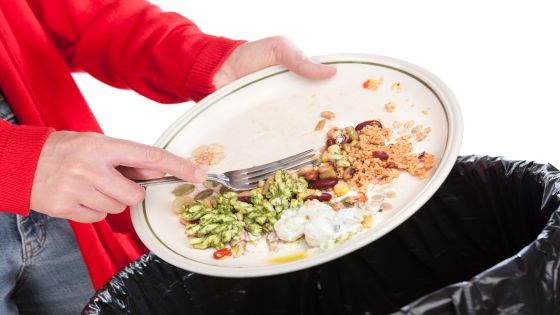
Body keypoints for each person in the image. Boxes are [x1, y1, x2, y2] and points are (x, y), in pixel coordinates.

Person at [0, 0, 336, 314]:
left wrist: (207, 59)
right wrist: (15, 160)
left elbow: (67, 12)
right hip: (41, 166)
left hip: (67, 185)